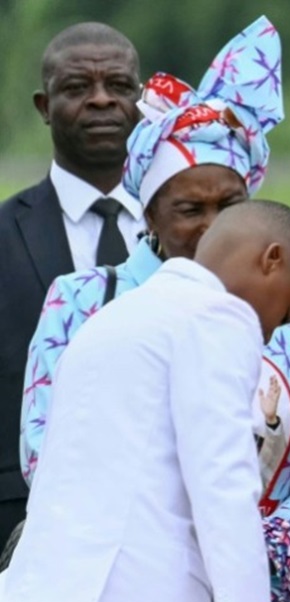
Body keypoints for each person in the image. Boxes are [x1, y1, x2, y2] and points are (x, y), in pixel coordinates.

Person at [19, 16, 290, 602]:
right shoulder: (97, 300)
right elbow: (53, 453)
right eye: (189, 208)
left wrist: (267, 545)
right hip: (142, 591)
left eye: (230, 206)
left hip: (230, 580)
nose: (212, 226)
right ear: (148, 214)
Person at [0, 200, 290, 602]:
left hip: (41, 598)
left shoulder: (112, 317)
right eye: (284, 315)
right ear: (271, 259)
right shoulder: (217, 315)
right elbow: (222, 480)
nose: (268, 335)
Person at [0, 22, 142, 547]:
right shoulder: (3, 235)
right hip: (22, 526)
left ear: (142, 100)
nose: (101, 100)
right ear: (44, 105)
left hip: (167, 526)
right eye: (78, 87)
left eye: (119, 86)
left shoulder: (195, 231)